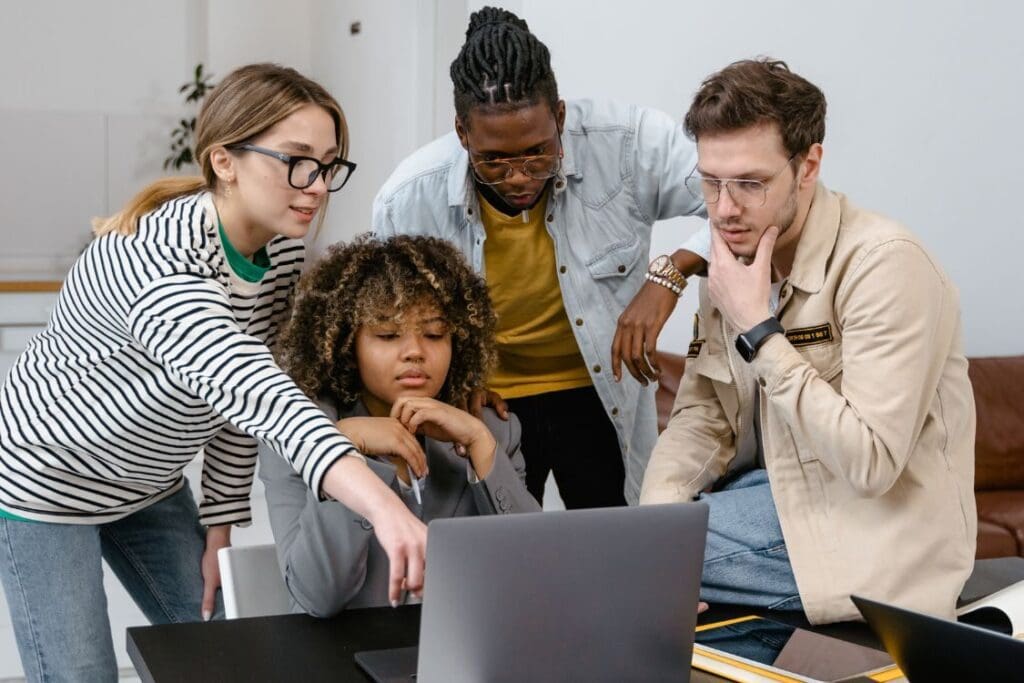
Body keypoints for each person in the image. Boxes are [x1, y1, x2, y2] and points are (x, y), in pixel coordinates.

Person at [0, 63, 426, 681]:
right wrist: (385, 508)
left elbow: (236, 408)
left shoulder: (278, 250)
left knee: (226, 649)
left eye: (328, 165)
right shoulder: (158, 260)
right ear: (224, 160)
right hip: (47, 482)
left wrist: (218, 524)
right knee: (82, 674)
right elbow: (256, 390)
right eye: (296, 160)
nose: (316, 186)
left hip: (148, 480)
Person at [640, 58, 976, 624]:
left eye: (750, 183)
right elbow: (702, 418)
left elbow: (871, 465)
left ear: (808, 165)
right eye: (711, 181)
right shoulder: (735, 257)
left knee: (607, 571)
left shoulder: (886, 265)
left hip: (877, 532)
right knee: (626, 554)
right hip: (775, 499)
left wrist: (758, 328)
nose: (723, 209)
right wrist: (653, 532)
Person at [373, 6, 711, 508]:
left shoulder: (629, 143)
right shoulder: (408, 199)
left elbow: (743, 200)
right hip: (491, 403)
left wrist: (671, 273)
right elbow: (392, 321)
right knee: (504, 558)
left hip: (602, 394)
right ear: (462, 134)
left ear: (560, 116)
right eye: (493, 159)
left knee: (613, 549)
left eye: (537, 152)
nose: (518, 176)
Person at [262, 234, 540, 616]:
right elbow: (318, 597)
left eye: (434, 334)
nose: (414, 351)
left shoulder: (493, 427)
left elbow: (535, 573)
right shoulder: (300, 432)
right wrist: (349, 448)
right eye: (388, 335)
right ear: (347, 343)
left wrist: (479, 443)